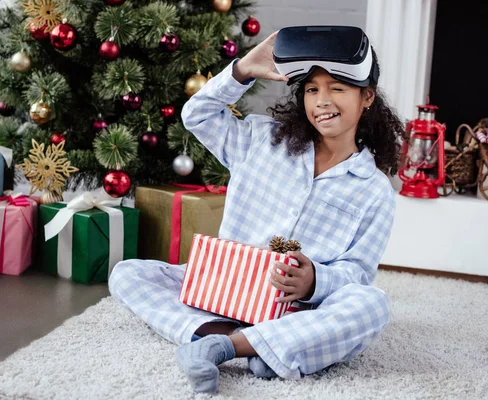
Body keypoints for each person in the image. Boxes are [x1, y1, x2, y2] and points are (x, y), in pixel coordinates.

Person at [109, 30, 404, 393]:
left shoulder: (375, 191)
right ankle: (264, 345)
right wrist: (243, 70)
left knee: (371, 305)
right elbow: (196, 115)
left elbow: (357, 273)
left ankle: (222, 347)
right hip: (219, 293)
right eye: (312, 89)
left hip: (300, 310)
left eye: (337, 88)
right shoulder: (260, 139)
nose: (322, 101)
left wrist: (314, 281)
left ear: (367, 97)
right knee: (127, 274)